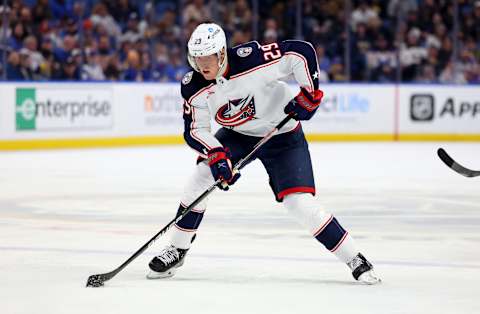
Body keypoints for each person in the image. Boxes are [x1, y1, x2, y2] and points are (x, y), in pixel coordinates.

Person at [147, 23, 381, 284]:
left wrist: (310, 93)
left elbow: (299, 52)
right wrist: (215, 155)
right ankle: (177, 249)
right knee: (201, 176)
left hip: (283, 135)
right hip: (237, 135)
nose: (202, 64)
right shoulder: (193, 86)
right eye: (197, 58)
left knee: (298, 203)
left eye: (208, 57)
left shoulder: (252, 60)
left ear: (222, 53)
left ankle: (355, 258)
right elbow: (195, 130)